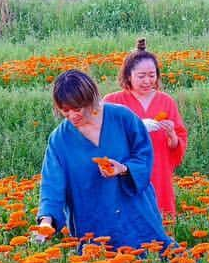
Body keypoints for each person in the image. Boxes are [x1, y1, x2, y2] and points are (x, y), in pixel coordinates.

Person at [36, 69, 173, 251]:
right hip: (92, 221)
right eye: (65, 110)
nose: (72, 116)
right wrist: (46, 221)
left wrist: (123, 169)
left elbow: (144, 157)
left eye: (77, 109)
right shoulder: (59, 140)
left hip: (135, 216)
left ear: (90, 99)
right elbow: (52, 185)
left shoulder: (123, 118)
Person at [104, 39, 188, 223]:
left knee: (160, 216)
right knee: (127, 216)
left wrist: (171, 134)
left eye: (152, 75)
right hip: (126, 167)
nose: (147, 81)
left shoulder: (166, 101)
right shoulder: (112, 101)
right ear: (128, 76)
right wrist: (137, 126)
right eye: (141, 76)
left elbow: (177, 143)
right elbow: (103, 136)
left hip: (158, 167)